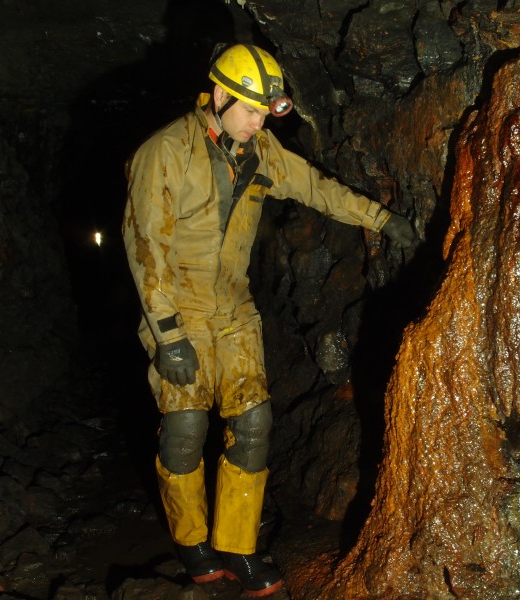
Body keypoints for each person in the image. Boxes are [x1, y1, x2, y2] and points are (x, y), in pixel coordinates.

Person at [121, 43, 416, 597]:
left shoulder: (260, 151)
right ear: (218, 95)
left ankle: (238, 547)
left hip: (234, 309)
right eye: (251, 111)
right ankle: (192, 542)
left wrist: (380, 219)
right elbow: (144, 246)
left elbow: (315, 186)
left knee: (253, 423)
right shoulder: (165, 152)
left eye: (264, 113)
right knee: (185, 429)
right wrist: (167, 333)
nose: (258, 123)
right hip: (179, 310)